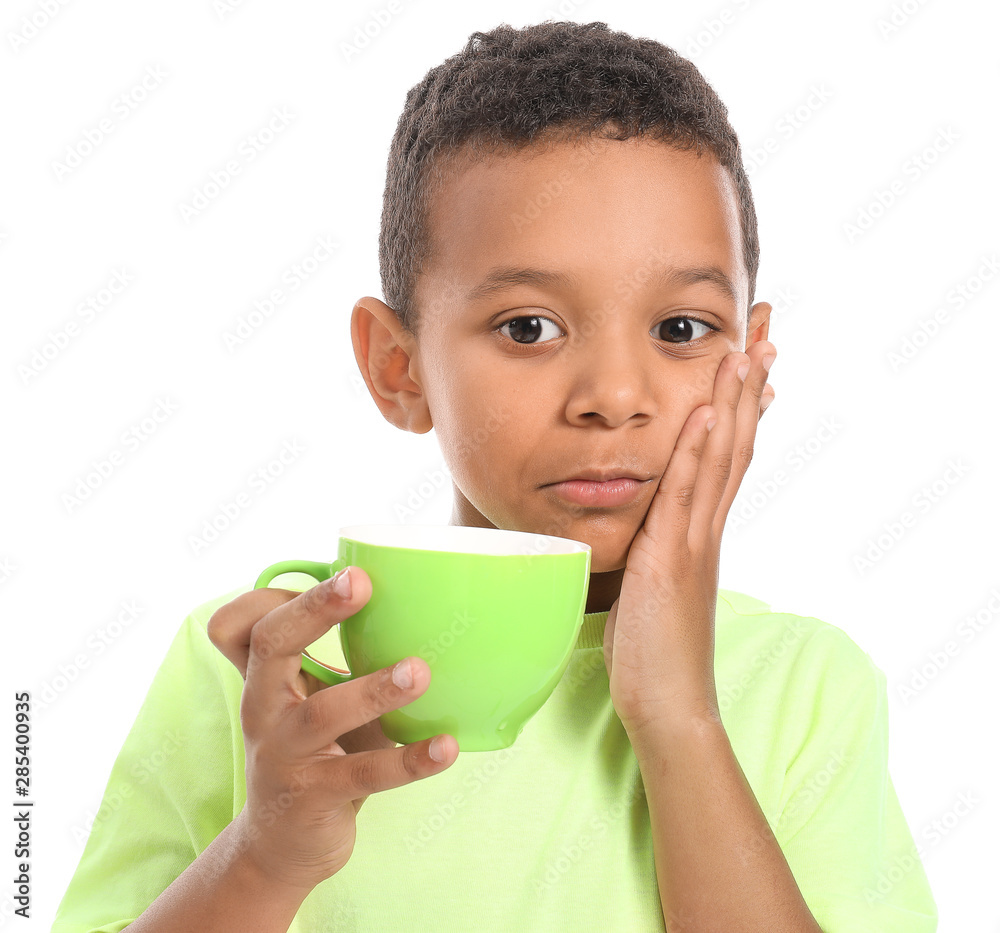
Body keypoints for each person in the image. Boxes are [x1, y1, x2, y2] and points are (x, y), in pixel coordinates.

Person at [52, 20, 937, 932]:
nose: (613, 396)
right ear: (399, 368)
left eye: (680, 329)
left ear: (751, 358)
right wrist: (266, 855)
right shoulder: (257, 666)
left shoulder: (809, 686)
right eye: (528, 327)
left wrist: (679, 719)